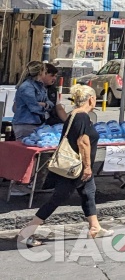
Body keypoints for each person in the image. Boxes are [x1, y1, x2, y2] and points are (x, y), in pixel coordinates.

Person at [17, 85, 110, 245]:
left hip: (75, 166)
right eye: (95, 98)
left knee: (89, 192)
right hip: (75, 167)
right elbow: (83, 142)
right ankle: (26, 233)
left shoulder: (73, 115)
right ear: (91, 99)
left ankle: (95, 227)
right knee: (57, 198)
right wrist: (87, 167)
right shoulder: (82, 117)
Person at [13, 62, 59, 140]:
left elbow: (50, 104)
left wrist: (44, 104)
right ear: (41, 72)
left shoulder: (40, 86)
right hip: (25, 124)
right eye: (45, 72)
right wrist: (44, 106)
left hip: (38, 123)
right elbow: (34, 107)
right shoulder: (27, 87)